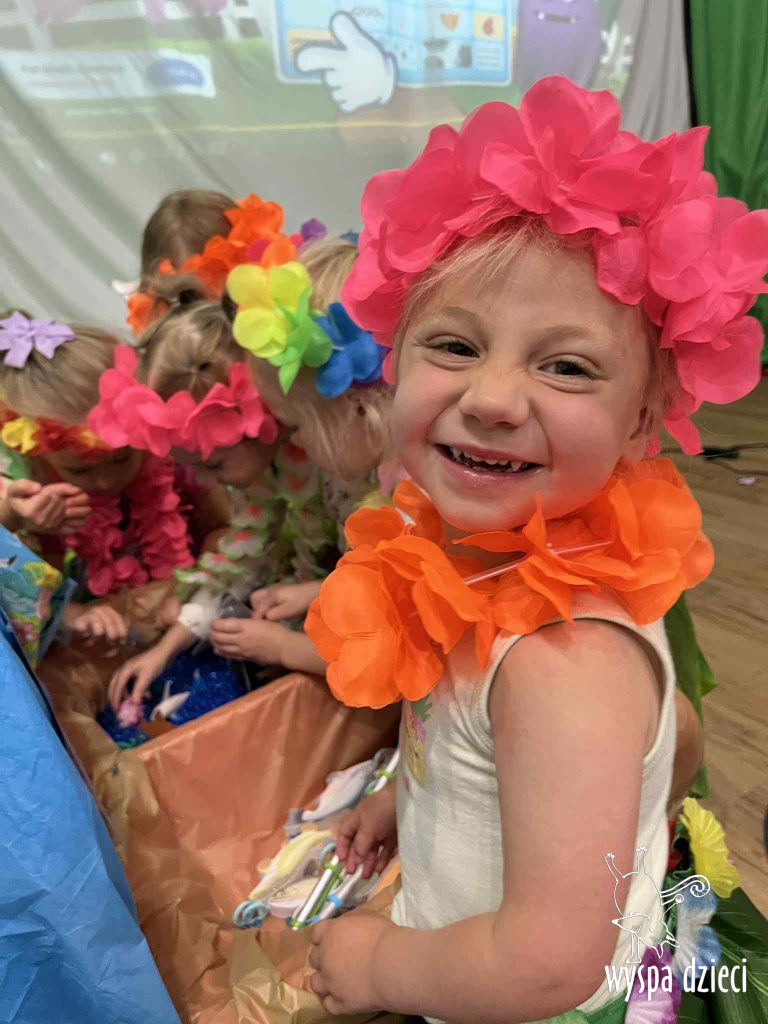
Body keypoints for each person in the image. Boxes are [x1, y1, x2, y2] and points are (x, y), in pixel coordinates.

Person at [303, 76, 767, 1021]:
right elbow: (673, 736)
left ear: (643, 419)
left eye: (566, 365)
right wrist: (413, 799)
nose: (492, 398)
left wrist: (380, 965)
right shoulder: (481, 559)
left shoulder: (564, 662)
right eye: (453, 345)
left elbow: (552, 965)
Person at [101, 284, 341, 709]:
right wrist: (164, 649)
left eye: (212, 465)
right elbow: (246, 554)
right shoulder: (263, 471)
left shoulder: (338, 462)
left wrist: (289, 642)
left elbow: (383, 587)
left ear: (262, 421)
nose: (201, 479)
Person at [0, 312, 226, 645]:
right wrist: (70, 612)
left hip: (191, 614)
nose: (106, 481)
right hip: (100, 638)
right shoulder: (29, 494)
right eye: (80, 470)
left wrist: (193, 584)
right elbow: (23, 588)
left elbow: (225, 531)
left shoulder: (174, 456)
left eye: (121, 458)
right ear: (36, 457)